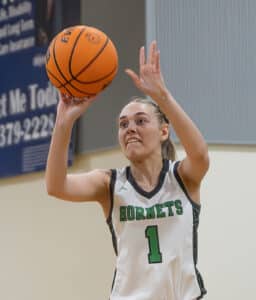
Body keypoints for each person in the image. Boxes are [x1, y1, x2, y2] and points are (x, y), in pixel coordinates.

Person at [46, 41, 209, 300]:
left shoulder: (182, 178)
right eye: (123, 124)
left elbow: (199, 153)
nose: (130, 128)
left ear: (164, 131)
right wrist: (64, 122)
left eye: (140, 121)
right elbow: (56, 186)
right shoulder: (109, 183)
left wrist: (162, 97)